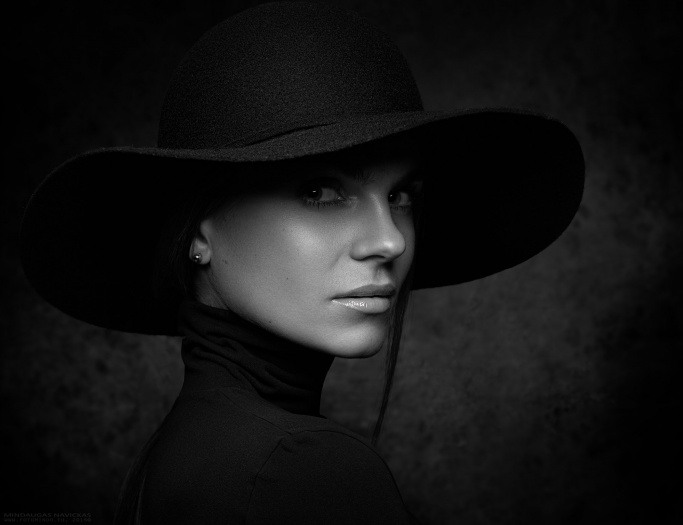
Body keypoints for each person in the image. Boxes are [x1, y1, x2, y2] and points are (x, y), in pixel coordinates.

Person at [20, 2, 584, 524]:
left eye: (401, 195)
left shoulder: (180, 453)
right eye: (320, 192)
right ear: (198, 232)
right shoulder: (303, 469)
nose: (389, 241)